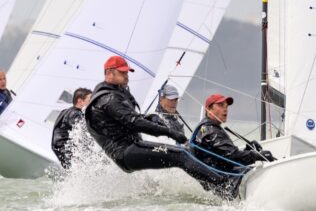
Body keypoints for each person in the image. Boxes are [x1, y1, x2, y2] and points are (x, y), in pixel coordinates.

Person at [85, 55, 240, 198]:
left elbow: (128, 118)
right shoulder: (109, 98)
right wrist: (170, 132)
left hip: (133, 147)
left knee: (185, 152)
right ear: (109, 73)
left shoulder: (115, 92)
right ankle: (224, 186)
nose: (127, 76)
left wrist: (149, 117)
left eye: (127, 72)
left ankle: (216, 187)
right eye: (122, 73)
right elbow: (135, 122)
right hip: (125, 153)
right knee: (180, 156)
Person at [191, 94, 275, 176]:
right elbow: (232, 156)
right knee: (261, 172)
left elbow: (226, 157)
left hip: (220, 174)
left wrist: (248, 149)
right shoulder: (211, 131)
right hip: (222, 180)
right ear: (209, 109)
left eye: (226, 106)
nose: (225, 109)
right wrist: (257, 155)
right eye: (221, 105)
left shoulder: (206, 128)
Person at [51, 87, 92, 168]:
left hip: (60, 150)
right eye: (89, 100)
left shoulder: (66, 111)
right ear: (80, 101)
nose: (92, 103)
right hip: (67, 151)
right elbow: (85, 131)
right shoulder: (75, 114)